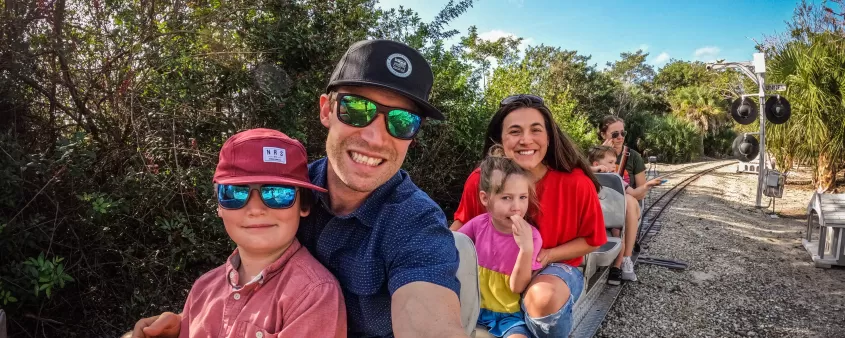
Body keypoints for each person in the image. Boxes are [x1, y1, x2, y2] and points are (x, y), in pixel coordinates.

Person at [130, 40, 468, 338]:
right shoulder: (283, 189)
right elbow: (252, 277)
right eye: (356, 109)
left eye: (402, 121)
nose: (376, 138)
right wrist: (197, 321)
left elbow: (429, 319)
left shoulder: (415, 224)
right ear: (326, 110)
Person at [451, 94, 607, 338]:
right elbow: (461, 227)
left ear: (548, 137)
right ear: (500, 140)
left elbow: (592, 239)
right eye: (515, 131)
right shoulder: (480, 180)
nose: (526, 140)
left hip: (555, 267)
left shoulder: (576, 183)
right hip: (494, 275)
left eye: (536, 130)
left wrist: (547, 255)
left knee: (541, 298)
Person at [175, 128, 346, 337]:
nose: (255, 209)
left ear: (304, 205)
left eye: (278, 193)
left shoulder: (314, 294)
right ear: (219, 206)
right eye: (235, 192)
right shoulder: (203, 289)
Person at [457, 145, 544, 338]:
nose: (517, 207)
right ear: (485, 198)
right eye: (506, 198)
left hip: (509, 317)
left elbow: (517, 288)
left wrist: (526, 249)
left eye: (523, 197)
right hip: (471, 308)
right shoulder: (478, 226)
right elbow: (453, 247)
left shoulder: (532, 237)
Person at [588, 145, 642, 284]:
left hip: (610, 214)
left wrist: (648, 186)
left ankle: (617, 267)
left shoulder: (616, 179)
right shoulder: (588, 175)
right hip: (594, 217)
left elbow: (632, 193)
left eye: (614, 162)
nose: (614, 166)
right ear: (596, 164)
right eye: (611, 163)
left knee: (618, 235)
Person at [597, 115, 661, 200]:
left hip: (626, 205)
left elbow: (641, 194)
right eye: (615, 134)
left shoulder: (634, 157)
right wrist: (602, 153)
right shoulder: (594, 155)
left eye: (623, 133)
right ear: (603, 135)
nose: (620, 137)